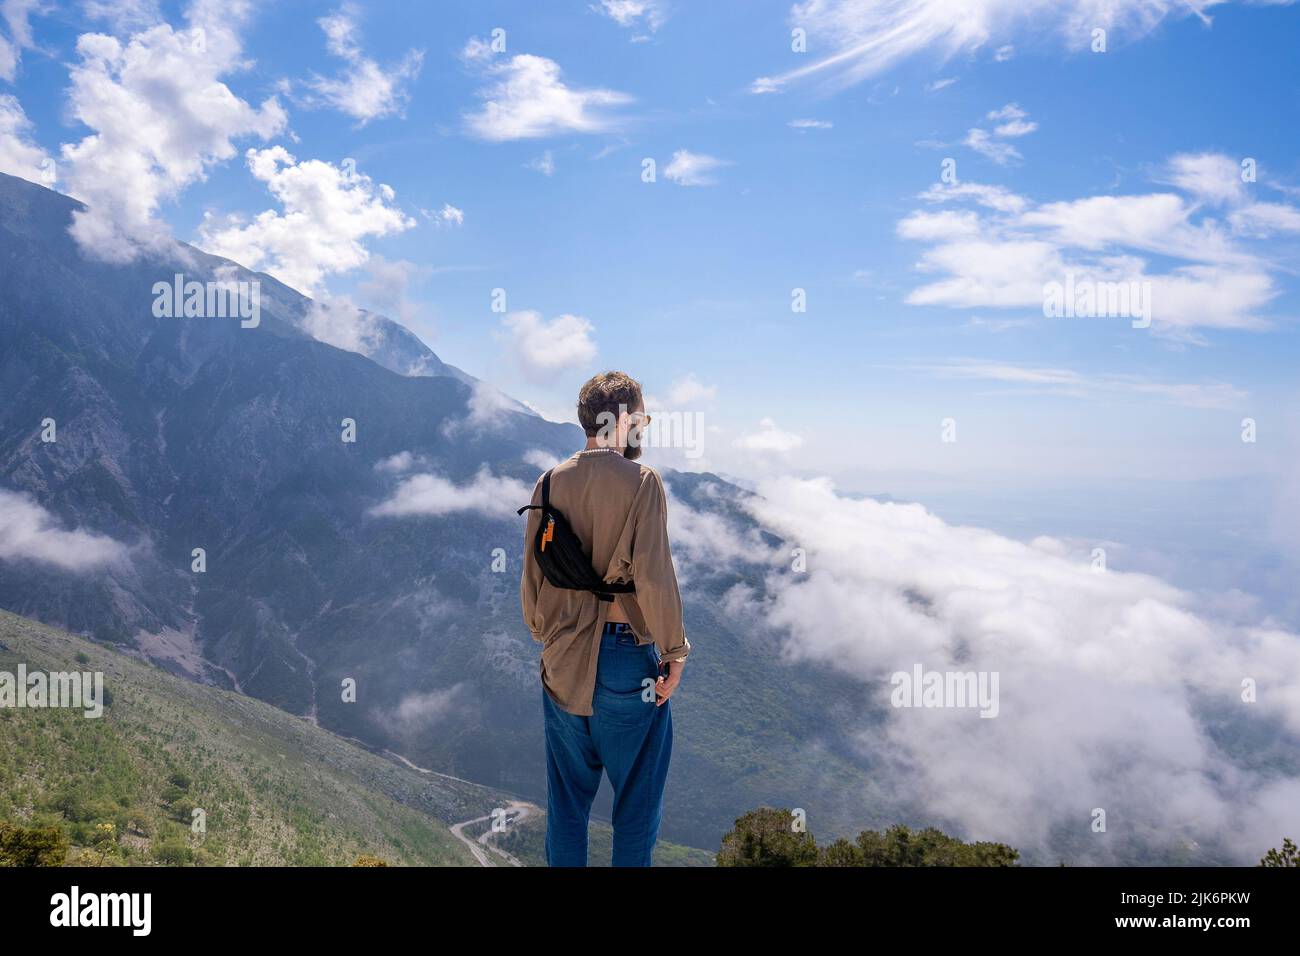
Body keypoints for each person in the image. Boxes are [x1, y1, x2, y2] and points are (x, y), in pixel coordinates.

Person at [520, 370, 690, 867]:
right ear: (621, 421)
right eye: (642, 419)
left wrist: (551, 638)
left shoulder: (549, 483)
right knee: (635, 805)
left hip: (563, 660)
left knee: (568, 805)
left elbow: (533, 584)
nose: (644, 429)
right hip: (625, 662)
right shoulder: (642, 483)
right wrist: (675, 653)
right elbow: (656, 578)